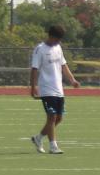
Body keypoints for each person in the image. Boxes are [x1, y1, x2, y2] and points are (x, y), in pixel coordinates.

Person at [29, 24, 81, 154]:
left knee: (58, 118)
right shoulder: (39, 49)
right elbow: (34, 69)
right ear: (51, 36)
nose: (59, 42)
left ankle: (38, 138)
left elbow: (64, 66)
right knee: (51, 117)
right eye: (57, 39)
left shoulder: (58, 48)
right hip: (46, 89)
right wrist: (33, 86)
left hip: (59, 89)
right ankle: (53, 146)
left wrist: (72, 80)